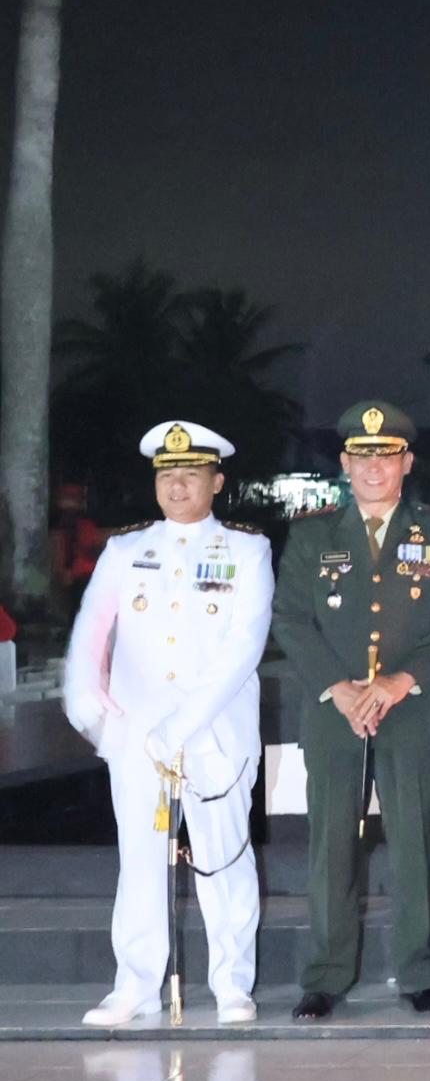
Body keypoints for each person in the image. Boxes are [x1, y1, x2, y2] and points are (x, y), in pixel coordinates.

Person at [64, 422, 272, 1027]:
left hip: (214, 735)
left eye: (190, 474)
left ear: (217, 482)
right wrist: (95, 719)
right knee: (140, 861)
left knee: (224, 859)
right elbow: (90, 637)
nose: (177, 485)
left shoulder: (245, 549)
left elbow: (243, 647)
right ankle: (133, 986)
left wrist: (181, 725)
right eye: (166, 474)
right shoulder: (126, 550)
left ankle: (232, 984)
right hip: (137, 737)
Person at [275, 401, 430, 1020]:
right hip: (333, 709)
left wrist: (397, 681)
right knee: (332, 842)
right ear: (344, 463)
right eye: (362, 456)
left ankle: (420, 974)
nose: (373, 467)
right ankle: (328, 975)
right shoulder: (313, 534)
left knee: (414, 840)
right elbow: (292, 620)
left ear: (406, 463)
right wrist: (338, 687)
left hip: (408, 706)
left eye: (386, 455)